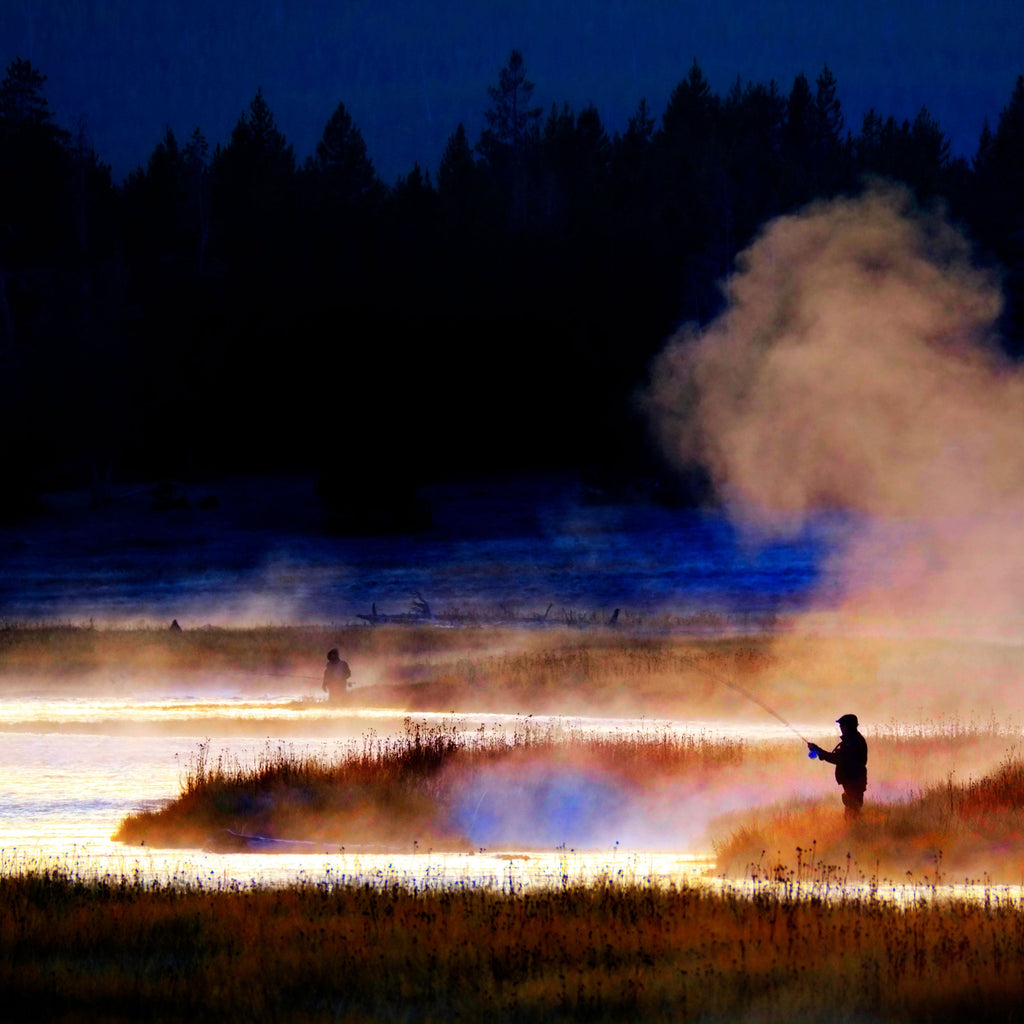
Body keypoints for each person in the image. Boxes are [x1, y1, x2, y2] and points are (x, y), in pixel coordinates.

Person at [808, 713, 868, 820]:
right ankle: (857, 831)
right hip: (851, 782)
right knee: (852, 811)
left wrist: (818, 750)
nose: (840, 728)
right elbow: (837, 758)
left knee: (852, 813)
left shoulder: (853, 742)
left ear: (849, 726)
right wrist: (819, 751)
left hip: (854, 782)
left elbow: (838, 759)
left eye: (842, 725)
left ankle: (857, 832)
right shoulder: (851, 741)